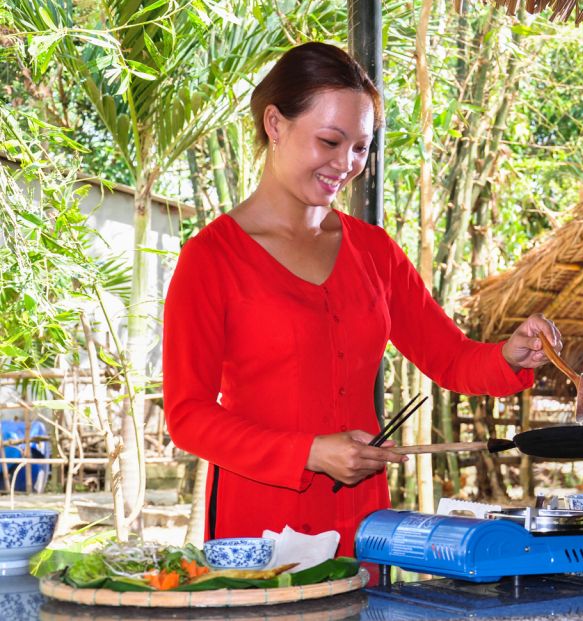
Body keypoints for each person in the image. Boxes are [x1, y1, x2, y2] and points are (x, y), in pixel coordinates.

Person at [162, 42, 561, 555]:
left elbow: (452, 358)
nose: (345, 164)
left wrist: (509, 354)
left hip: (366, 518)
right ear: (275, 125)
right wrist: (308, 452)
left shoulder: (374, 251)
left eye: (360, 147)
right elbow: (188, 416)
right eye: (329, 141)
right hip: (260, 521)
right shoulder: (212, 258)